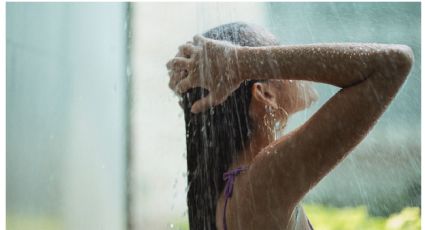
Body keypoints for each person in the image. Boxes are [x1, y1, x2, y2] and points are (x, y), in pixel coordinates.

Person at [166, 22, 413, 230]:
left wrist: (240, 63)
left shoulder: (243, 185)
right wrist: (239, 61)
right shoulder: (262, 182)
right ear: (264, 94)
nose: (293, 62)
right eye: (275, 57)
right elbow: (392, 63)